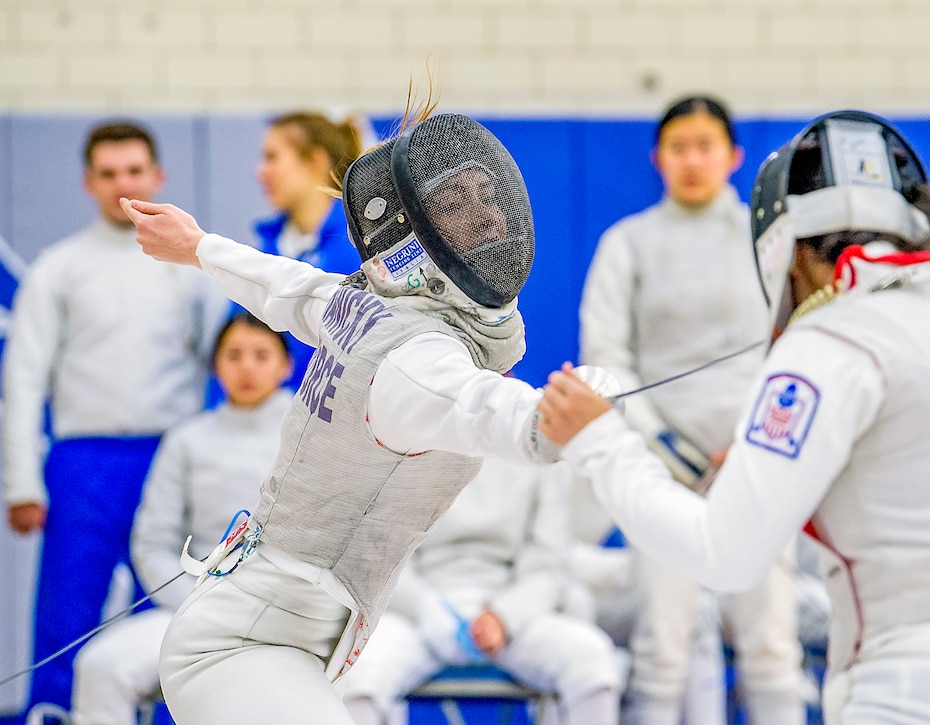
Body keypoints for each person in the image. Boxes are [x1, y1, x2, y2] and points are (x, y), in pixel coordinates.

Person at [539, 110, 930, 724]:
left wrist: (600, 441)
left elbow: (725, 550)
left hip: (917, 691)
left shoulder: (833, 341)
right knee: (671, 651)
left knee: (764, 652)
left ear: (789, 251)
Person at [120, 108, 575, 724]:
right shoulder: (418, 357)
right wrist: (556, 419)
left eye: (483, 195)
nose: (487, 212)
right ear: (422, 235)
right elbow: (484, 407)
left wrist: (197, 246)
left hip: (275, 639)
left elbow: (289, 287)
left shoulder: (362, 308)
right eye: (459, 202)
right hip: (242, 647)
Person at [579, 95, 806, 725]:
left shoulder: (774, 240)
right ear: (659, 158)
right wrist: (665, 446)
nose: (692, 160)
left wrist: (758, 442)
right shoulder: (628, 243)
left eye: (705, 146)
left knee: (770, 648)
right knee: (663, 648)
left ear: (733, 157)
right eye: (680, 147)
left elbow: (798, 348)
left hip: (757, 464)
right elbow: (606, 355)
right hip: (662, 472)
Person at [2, 120, 225, 715]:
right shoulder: (59, 267)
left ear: (158, 176)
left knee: (175, 611)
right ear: (88, 182)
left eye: (134, 171)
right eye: (108, 174)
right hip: (83, 464)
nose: (122, 185)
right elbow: (23, 380)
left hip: (171, 458)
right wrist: (21, 483)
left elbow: (230, 366)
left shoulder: (193, 268)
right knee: (66, 610)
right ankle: (50, 712)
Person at [68, 312, 293, 725]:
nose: (247, 367)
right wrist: (193, 603)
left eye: (261, 355)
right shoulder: (188, 440)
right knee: (100, 667)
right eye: (234, 355)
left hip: (289, 610)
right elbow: (152, 542)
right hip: (195, 607)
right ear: (215, 366)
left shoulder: (310, 434)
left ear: (286, 365)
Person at [339, 458, 621, 725]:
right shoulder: (411, 438)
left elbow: (548, 565)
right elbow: (384, 556)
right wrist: (428, 609)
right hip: (419, 614)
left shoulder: (542, 453)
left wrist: (504, 617)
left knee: (593, 659)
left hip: (511, 614)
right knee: (359, 672)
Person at [253, 111, 367, 390]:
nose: (260, 172)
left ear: (315, 161)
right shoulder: (265, 250)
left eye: (272, 157)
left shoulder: (360, 249)